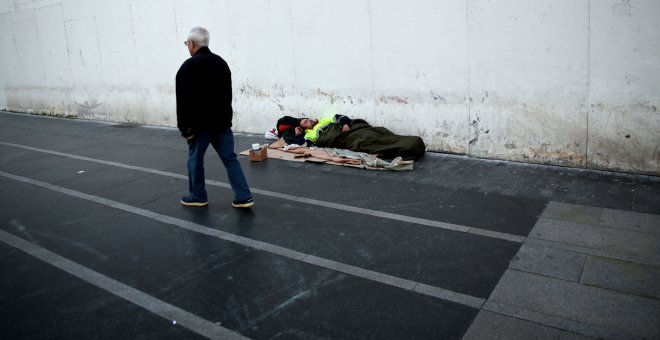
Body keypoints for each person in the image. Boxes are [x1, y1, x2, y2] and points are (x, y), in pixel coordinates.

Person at [176, 26, 254, 208]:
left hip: (199, 127)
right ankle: (243, 196)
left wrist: (184, 127)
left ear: (193, 44)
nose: (187, 46)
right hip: (221, 124)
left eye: (187, 43)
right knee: (230, 159)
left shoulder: (188, 66)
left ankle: (198, 195)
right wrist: (227, 120)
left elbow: (183, 99)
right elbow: (227, 95)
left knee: (195, 160)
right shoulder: (221, 63)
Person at [277, 113, 426, 160]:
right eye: (304, 122)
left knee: (375, 133)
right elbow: (303, 146)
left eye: (307, 118)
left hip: (349, 131)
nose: (308, 121)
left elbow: (341, 117)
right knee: (366, 141)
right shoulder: (309, 135)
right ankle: (408, 147)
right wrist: (296, 135)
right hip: (345, 139)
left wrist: (345, 124)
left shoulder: (324, 119)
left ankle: (408, 144)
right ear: (303, 128)